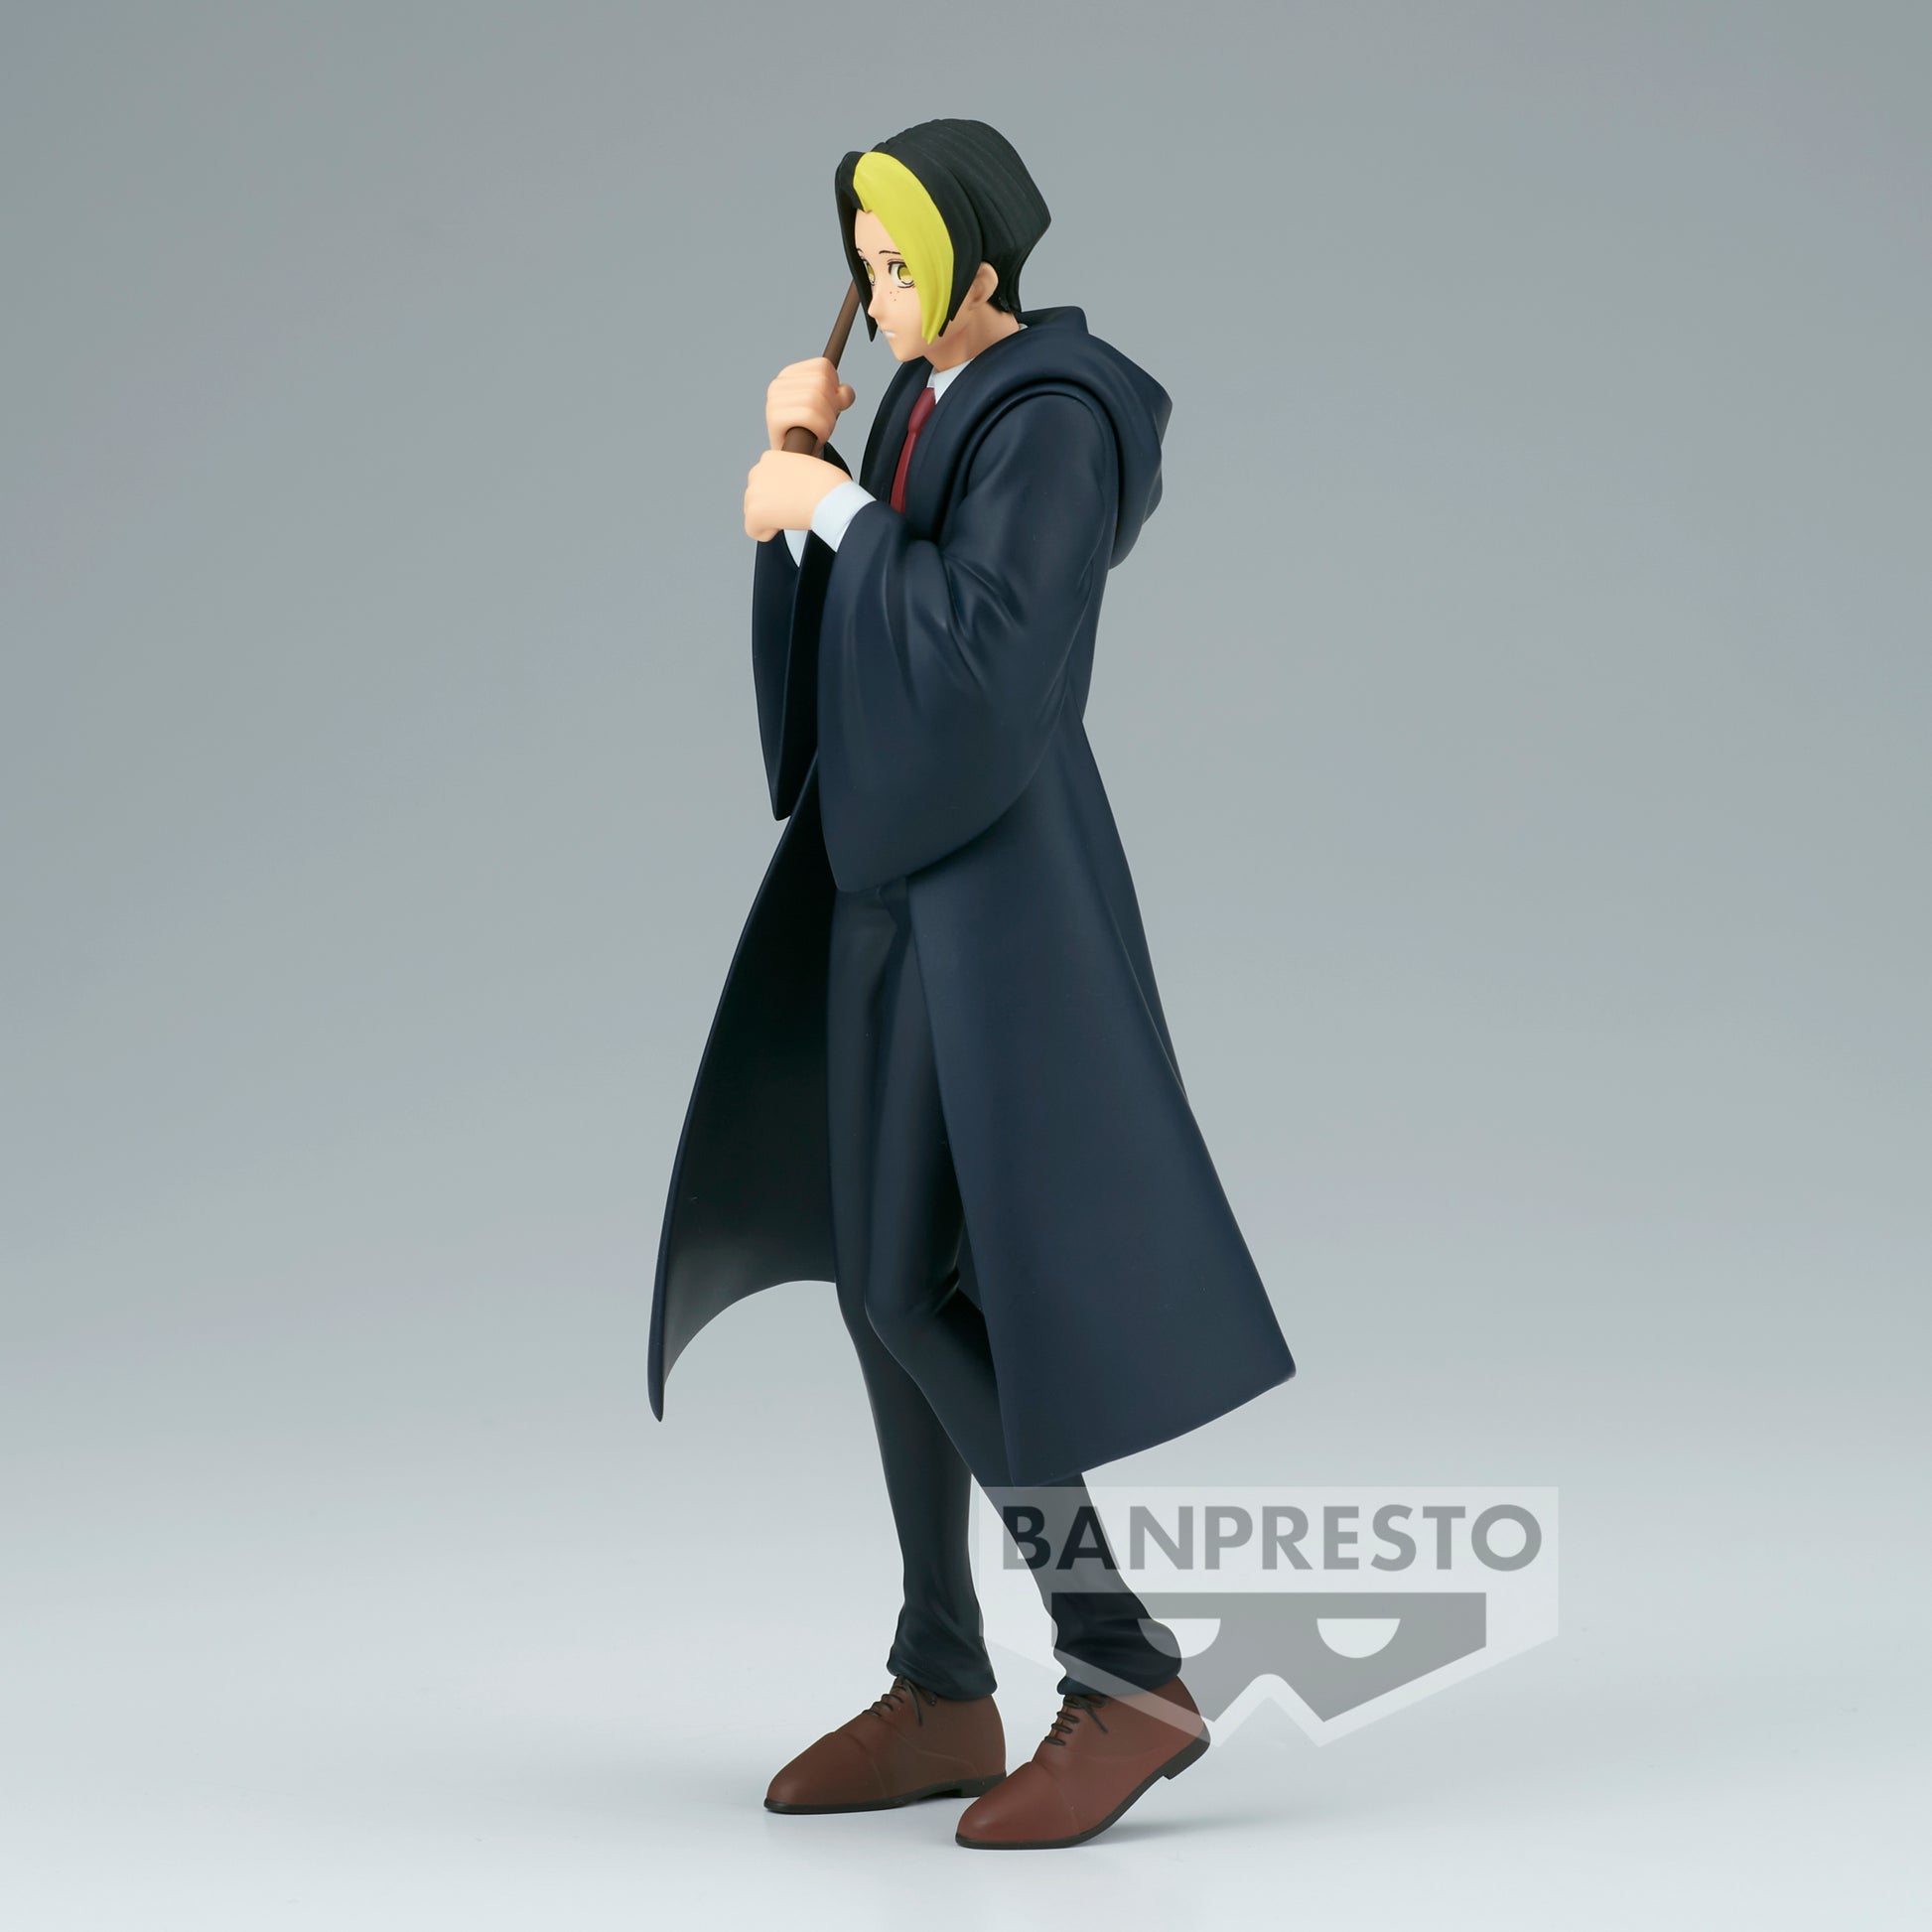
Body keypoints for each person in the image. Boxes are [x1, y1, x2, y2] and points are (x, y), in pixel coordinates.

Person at [650, 118, 1296, 1850]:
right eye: (862, 264)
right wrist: (808, 472)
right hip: (886, 878)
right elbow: (851, 660)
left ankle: (1122, 1665)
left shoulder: (1053, 417)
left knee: (915, 1284)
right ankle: (944, 1674)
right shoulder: (922, 403)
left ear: (980, 261)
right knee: (881, 1282)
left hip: (988, 893)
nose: (876, 291)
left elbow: (991, 659)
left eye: (902, 262)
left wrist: (833, 507)